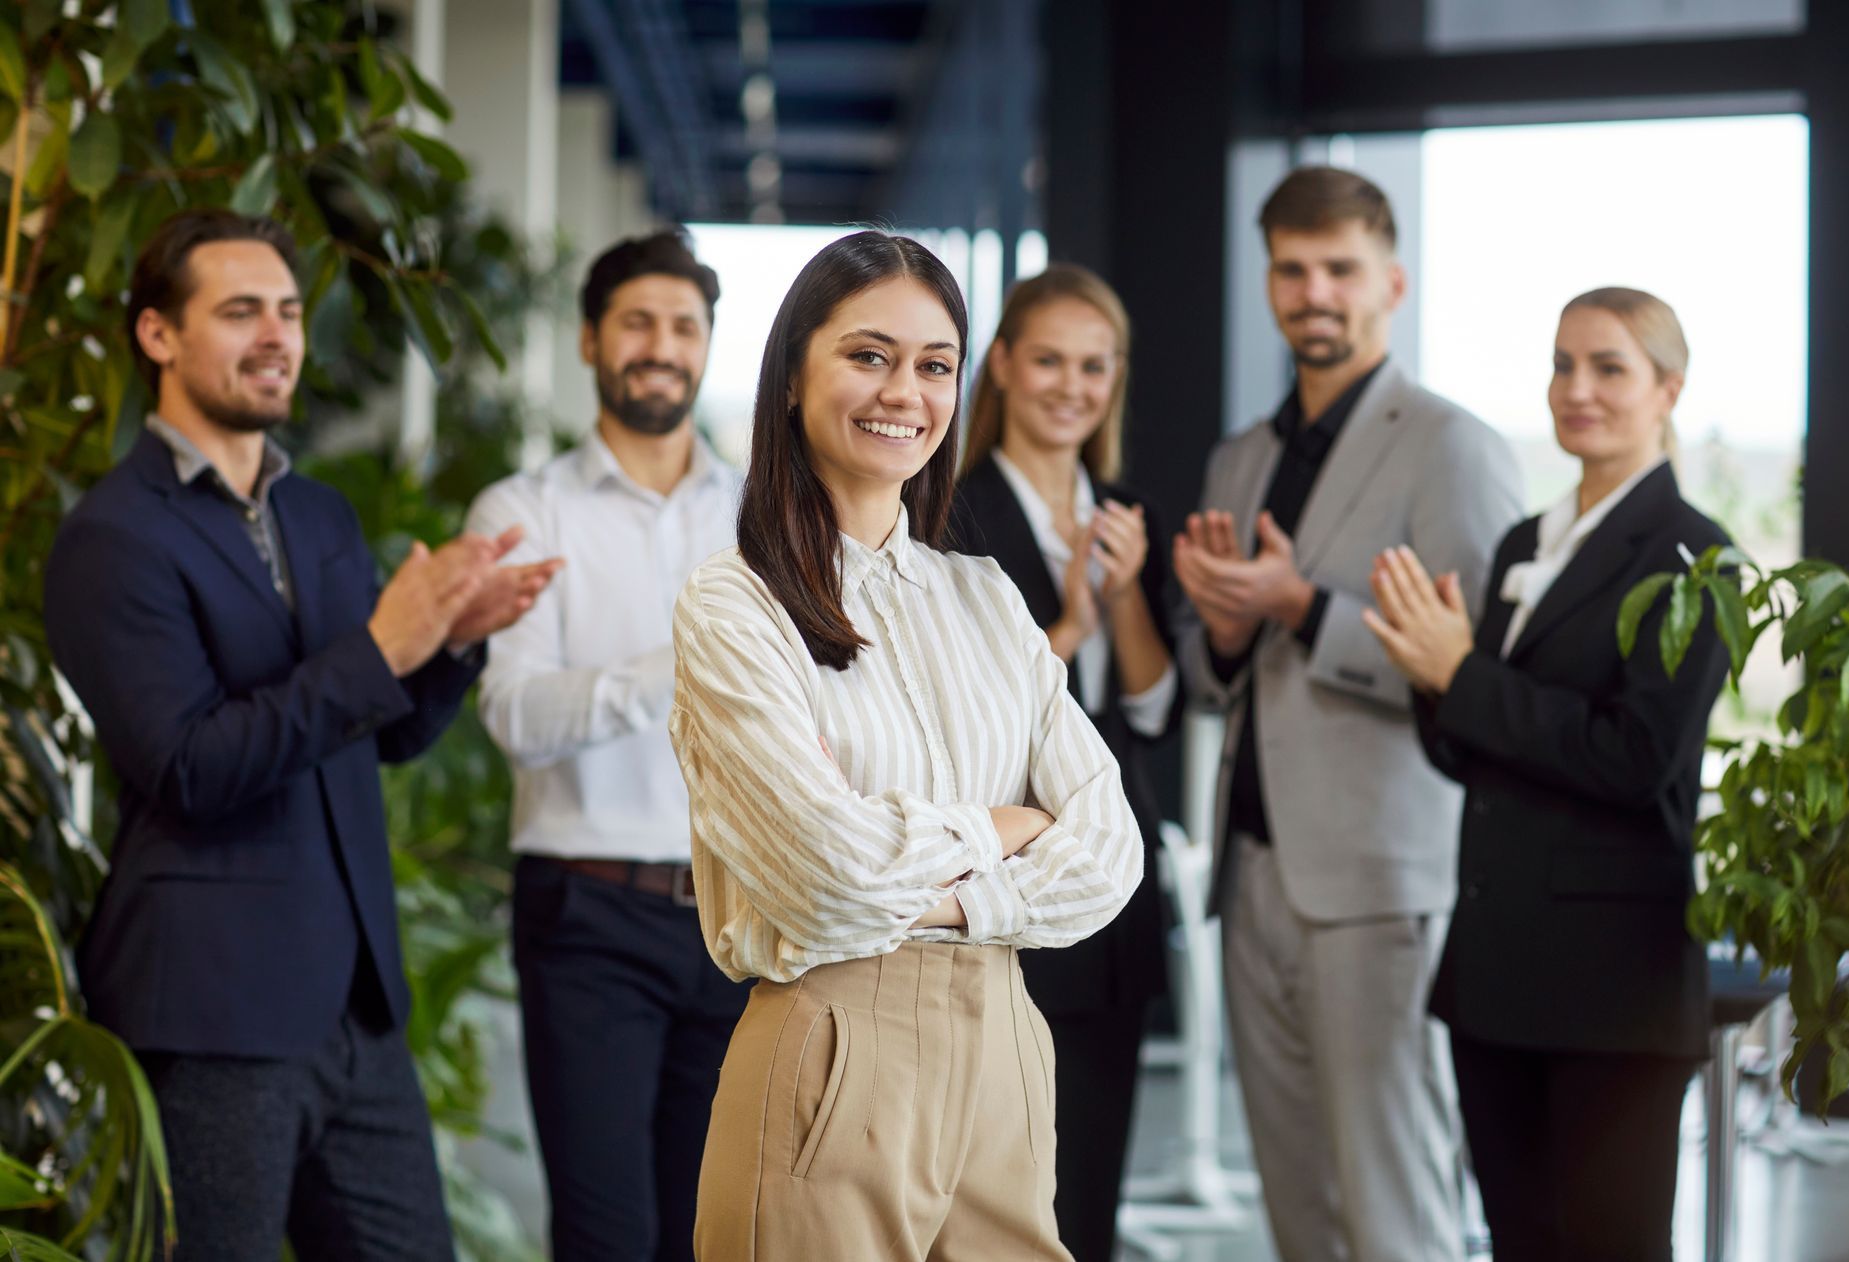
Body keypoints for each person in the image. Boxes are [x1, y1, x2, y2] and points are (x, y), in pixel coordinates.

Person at [42, 209, 560, 1260]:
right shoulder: (111, 536)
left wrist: (449, 645)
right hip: (211, 1007)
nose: (278, 334)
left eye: (288, 309)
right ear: (158, 335)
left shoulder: (317, 515)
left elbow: (373, 738)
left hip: (356, 1008)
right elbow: (189, 766)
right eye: (241, 312)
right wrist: (383, 646)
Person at [667, 230, 1143, 1260]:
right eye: (869, 355)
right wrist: (1006, 826)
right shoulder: (736, 604)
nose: (905, 391)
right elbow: (823, 881)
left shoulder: (985, 596)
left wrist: (931, 882)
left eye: (935, 365)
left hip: (1007, 1039)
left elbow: (1110, 852)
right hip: (833, 1047)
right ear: (794, 372)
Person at [1171, 166, 1522, 1262]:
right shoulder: (1243, 455)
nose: (1312, 291)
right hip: (1258, 871)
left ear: (1394, 281)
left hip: (1379, 878)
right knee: (1298, 1210)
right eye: (1291, 268)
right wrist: (1227, 630)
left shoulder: (1453, 445)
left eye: (1340, 269)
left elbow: (1481, 672)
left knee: (1391, 1209)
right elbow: (1207, 669)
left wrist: (1305, 608)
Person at [1363, 287, 1730, 1262]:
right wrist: (1429, 679)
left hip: (1613, 990)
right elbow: (1468, 755)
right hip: (1494, 976)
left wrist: (1464, 673)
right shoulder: (1527, 540)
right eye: (1564, 363)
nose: (1578, 388)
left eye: (1609, 367)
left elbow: (1636, 755)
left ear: (1668, 389)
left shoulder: (1699, 556)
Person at [464, 229, 750, 1261]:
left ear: (708, 346)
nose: (661, 345)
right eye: (637, 322)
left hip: (736, 917)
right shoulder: (524, 511)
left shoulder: (760, 517)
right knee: (604, 1232)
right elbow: (515, 712)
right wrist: (673, 670)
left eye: (684, 326)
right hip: (587, 912)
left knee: (708, 1230)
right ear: (591, 340)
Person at [947, 263, 1179, 1262]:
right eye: (1048, 359)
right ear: (1003, 363)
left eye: (1095, 365)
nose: (1071, 385)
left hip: (1108, 889)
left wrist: (1122, 597)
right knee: (997, 1184)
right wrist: (1074, 615)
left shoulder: (1124, 508)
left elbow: (1154, 706)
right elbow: (960, 718)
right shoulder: (950, 512)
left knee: (1089, 1183)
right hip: (999, 887)